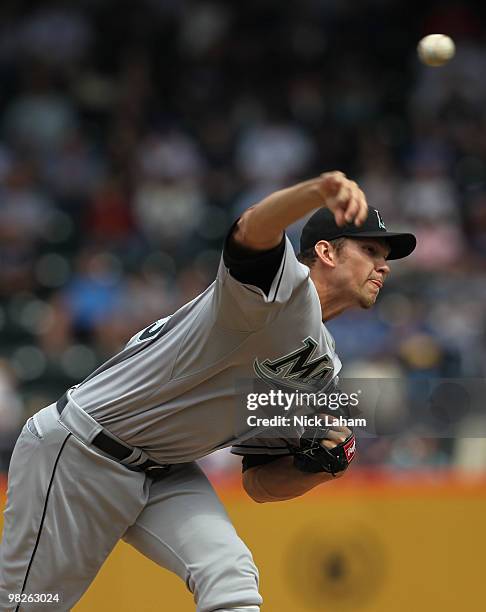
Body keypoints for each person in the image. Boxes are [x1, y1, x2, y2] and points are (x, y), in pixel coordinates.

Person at [0, 171, 416, 611]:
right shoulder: (281, 289)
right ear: (326, 252)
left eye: (385, 255)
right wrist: (316, 192)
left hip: (164, 469)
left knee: (229, 576)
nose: (384, 265)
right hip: (82, 451)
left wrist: (319, 466)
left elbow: (259, 482)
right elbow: (250, 230)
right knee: (27, 606)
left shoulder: (323, 365)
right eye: (370, 250)